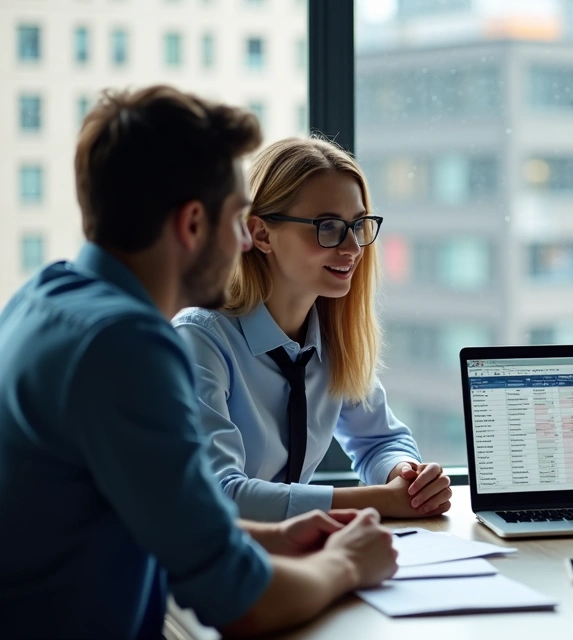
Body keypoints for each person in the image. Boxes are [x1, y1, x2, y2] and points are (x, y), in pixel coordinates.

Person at [0, 86, 397, 637]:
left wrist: (276, 536)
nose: (243, 241)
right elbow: (239, 601)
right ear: (192, 224)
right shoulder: (125, 346)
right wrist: (350, 561)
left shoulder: (40, 300)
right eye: (238, 218)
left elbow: (158, 520)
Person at [173, 137, 452, 522]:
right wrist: (381, 500)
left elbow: (381, 440)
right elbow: (219, 492)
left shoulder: (332, 337)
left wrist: (406, 476)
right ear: (262, 234)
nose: (353, 247)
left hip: (300, 553)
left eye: (358, 225)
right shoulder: (200, 339)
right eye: (329, 227)